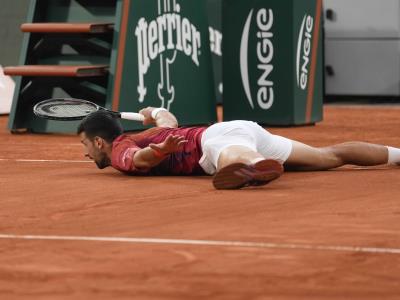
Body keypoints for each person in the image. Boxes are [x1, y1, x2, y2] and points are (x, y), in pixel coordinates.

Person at [77, 107, 400, 190]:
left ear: (100, 140)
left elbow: (140, 160)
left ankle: (256, 165)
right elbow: (169, 121)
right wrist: (156, 112)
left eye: (86, 145)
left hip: (215, 143)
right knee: (329, 156)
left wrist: (160, 151)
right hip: (239, 128)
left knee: (230, 159)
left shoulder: (121, 150)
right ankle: (397, 154)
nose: (86, 153)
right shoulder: (146, 132)